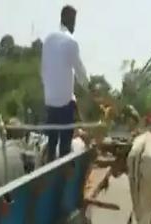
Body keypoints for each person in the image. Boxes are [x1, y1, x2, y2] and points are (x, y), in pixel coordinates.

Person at [41, 5, 89, 162]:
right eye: (74, 21)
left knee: (52, 140)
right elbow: (81, 73)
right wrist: (90, 88)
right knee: (64, 145)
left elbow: (43, 71)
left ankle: (48, 166)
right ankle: (63, 169)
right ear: (69, 20)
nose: (74, 25)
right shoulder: (71, 42)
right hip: (64, 103)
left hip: (49, 102)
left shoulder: (48, 40)